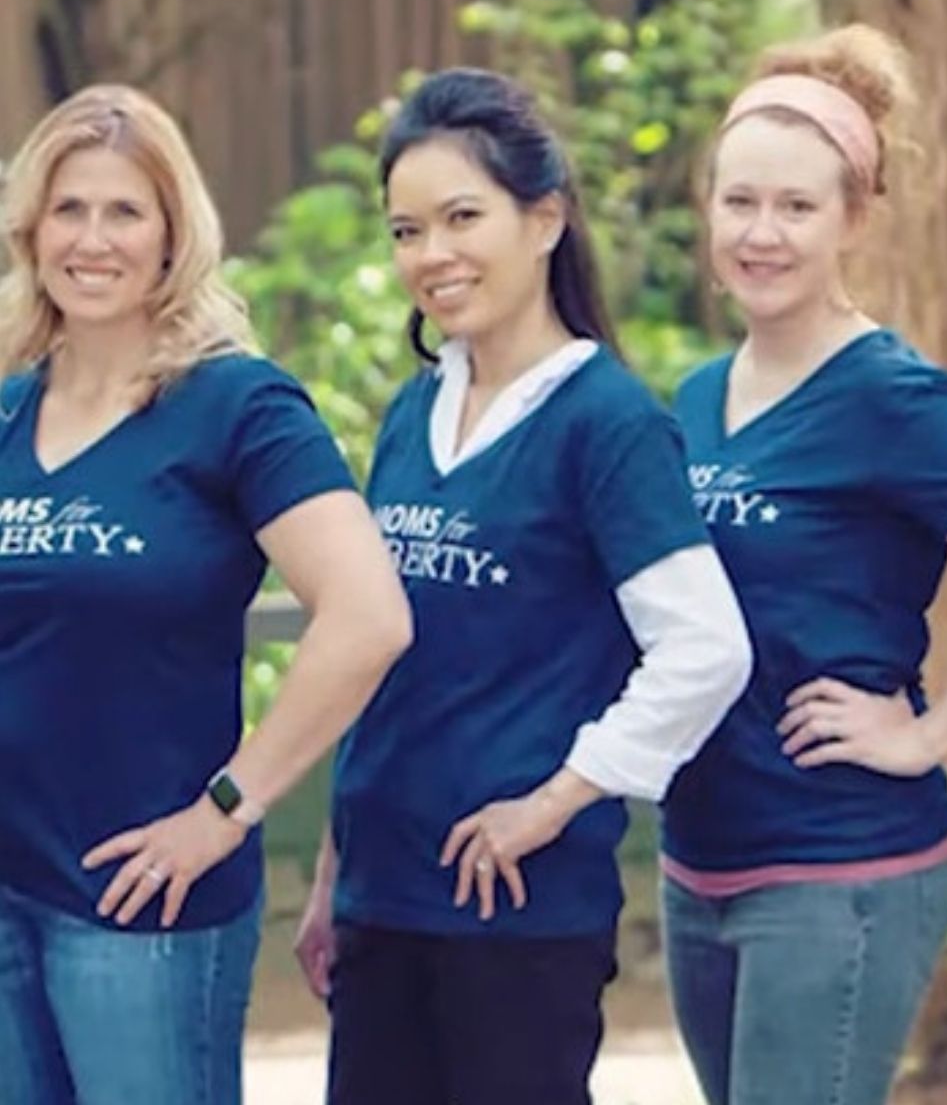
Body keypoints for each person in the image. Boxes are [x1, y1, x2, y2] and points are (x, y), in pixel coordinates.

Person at [658, 25, 947, 1105]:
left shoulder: (888, 396)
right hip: (698, 859)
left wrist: (930, 735)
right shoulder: (693, 397)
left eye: (797, 208)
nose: (761, 234)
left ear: (854, 218)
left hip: (836, 871)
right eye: (739, 202)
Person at [294, 67, 755, 1105]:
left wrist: (553, 803)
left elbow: (707, 649)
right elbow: (384, 664)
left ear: (544, 219)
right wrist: (333, 873)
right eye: (407, 231)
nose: (432, 255)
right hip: (383, 899)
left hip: (516, 913)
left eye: (463, 217)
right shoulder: (415, 414)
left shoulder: (608, 422)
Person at [0, 84, 411, 1105]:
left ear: (174, 234)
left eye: (124, 211)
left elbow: (369, 617)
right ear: (31, 228)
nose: (93, 240)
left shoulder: (238, 407)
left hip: (144, 904)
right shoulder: (7, 412)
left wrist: (230, 805)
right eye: (69, 210)